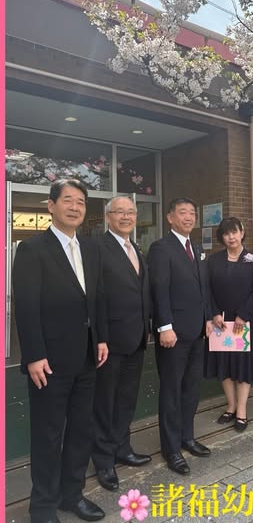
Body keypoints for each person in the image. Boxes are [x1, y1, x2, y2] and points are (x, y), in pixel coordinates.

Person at [12, 179, 108, 523]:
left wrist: (101, 338)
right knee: (48, 435)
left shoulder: (91, 248)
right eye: (68, 200)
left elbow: (96, 298)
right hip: (49, 362)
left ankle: (72, 495)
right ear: (51, 206)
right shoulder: (32, 249)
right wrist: (34, 355)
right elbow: (26, 307)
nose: (75, 207)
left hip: (87, 357)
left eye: (81, 202)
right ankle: (42, 507)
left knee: (81, 430)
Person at [92, 197, 152, 492]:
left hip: (136, 338)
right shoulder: (98, 248)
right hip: (110, 342)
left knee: (127, 399)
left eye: (131, 212)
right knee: (105, 402)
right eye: (120, 212)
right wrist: (100, 337)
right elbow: (95, 297)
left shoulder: (136, 248)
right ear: (108, 217)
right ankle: (103, 460)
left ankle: (122, 448)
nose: (126, 217)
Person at [147, 197, 211, 475]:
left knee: (191, 389)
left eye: (192, 213)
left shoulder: (196, 248)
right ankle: (171, 448)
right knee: (172, 391)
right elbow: (159, 289)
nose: (188, 217)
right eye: (182, 212)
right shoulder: (161, 248)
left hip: (197, 331)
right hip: (173, 334)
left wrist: (208, 317)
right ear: (170, 217)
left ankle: (187, 437)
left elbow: (203, 288)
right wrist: (164, 326)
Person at [204, 217, 253, 432]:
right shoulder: (213, 261)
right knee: (225, 366)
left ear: (242, 233)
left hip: (242, 323)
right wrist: (213, 314)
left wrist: (242, 315)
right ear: (222, 237)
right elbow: (207, 290)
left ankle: (242, 410)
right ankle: (230, 406)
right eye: (226, 233)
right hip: (220, 323)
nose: (231, 237)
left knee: (243, 367)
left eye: (234, 232)